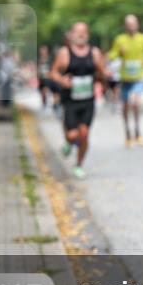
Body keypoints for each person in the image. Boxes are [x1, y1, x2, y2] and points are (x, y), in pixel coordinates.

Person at [49, 22, 110, 179]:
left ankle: (79, 165)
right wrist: (62, 81)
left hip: (88, 100)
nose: (81, 35)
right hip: (70, 100)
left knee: (84, 134)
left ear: (87, 35)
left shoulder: (94, 52)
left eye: (84, 32)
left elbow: (102, 71)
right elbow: (53, 73)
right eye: (78, 32)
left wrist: (105, 78)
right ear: (72, 34)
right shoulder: (65, 53)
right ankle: (69, 143)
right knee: (72, 135)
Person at [108, 15, 143, 147]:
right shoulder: (120, 39)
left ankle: (137, 132)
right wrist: (119, 53)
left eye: (133, 23)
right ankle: (127, 133)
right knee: (126, 106)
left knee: (135, 103)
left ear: (137, 24)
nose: (131, 26)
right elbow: (112, 55)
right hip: (125, 78)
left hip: (138, 77)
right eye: (129, 24)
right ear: (125, 26)